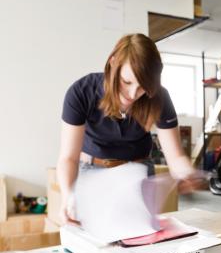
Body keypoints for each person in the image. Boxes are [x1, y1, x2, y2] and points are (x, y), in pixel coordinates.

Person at [57, 33, 198, 225]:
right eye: (127, 82)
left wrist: (185, 172)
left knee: (140, 238)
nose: (133, 94)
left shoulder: (159, 97)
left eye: (143, 87)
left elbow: (175, 156)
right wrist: (68, 195)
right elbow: (68, 157)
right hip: (93, 171)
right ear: (113, 63)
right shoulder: (81, 92)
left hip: (139, 173)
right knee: (95, 238)